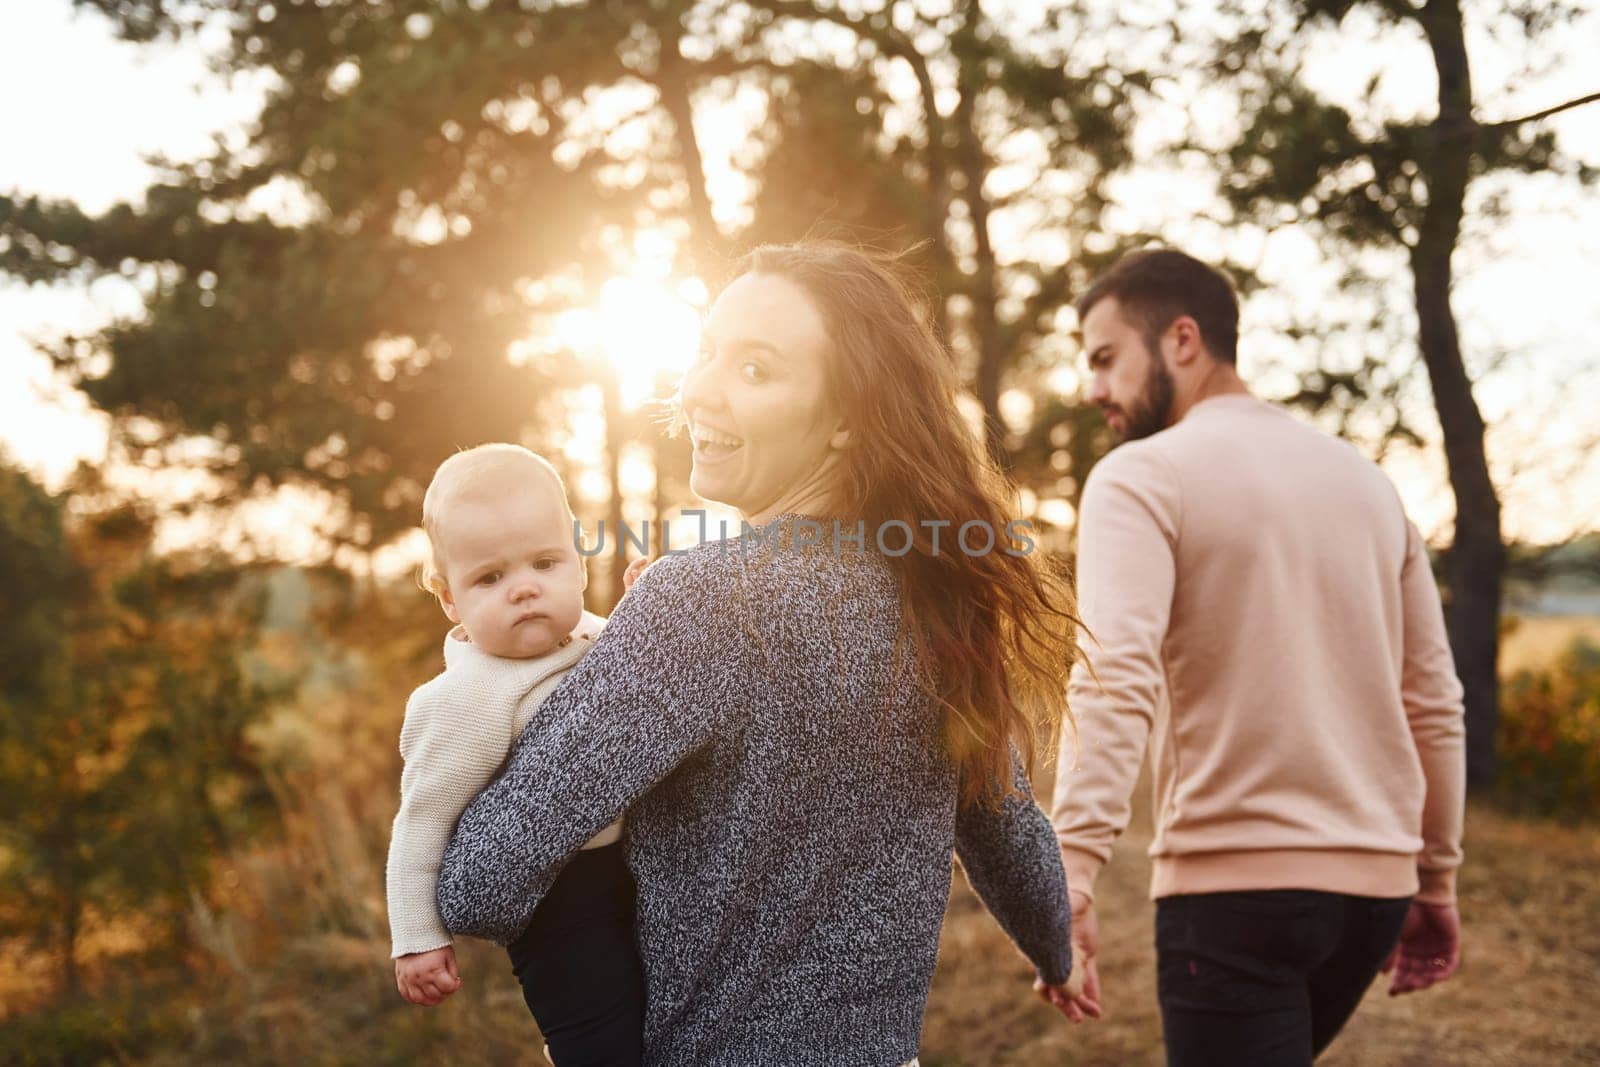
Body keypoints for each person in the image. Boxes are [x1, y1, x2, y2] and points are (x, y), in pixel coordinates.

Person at [436, 242, 1081, 1066]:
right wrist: (1059, 955)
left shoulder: (701, 604)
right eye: (707, 350)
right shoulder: (939, 602)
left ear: (846, 418)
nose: (699, 387)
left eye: (755, 369)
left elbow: (480, 883)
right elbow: (1007, 828)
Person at [1049, 248, 1467, 1065]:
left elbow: (1113, 675)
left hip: (1235, 898)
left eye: (1104, 359)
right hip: (1374, 897)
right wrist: (1436, 876)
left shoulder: (1139, 476)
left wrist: (1068, 871)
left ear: (1181, 339)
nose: (1092, 388)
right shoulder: (1370, 484)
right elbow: (1435, 701)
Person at [385, 444, 645, 1065]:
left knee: (666, 1024)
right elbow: (422, 821)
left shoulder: (595, 634)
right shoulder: (464, 698)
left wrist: (648, 602)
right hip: (557, 901)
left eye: (545, 562)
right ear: (450, 600)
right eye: (490, 578)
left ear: (580, 564)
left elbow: (644, 674)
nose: (524, 589)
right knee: (601, 1039)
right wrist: (416, 938)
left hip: (641, 870)